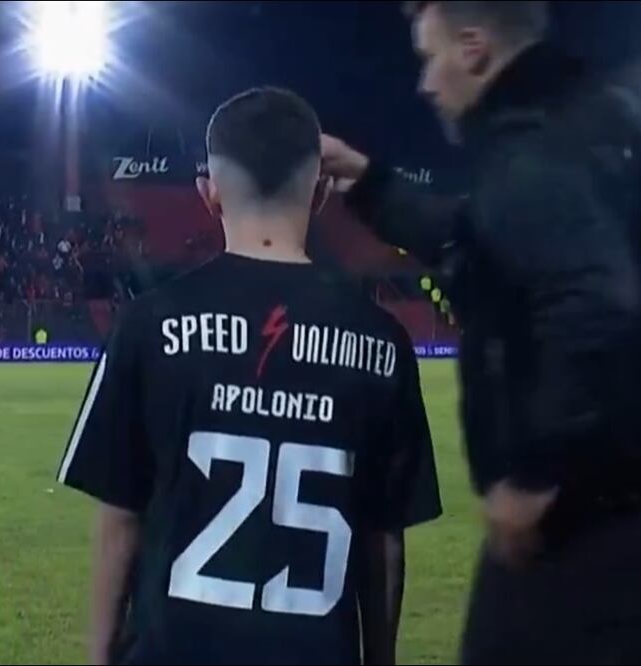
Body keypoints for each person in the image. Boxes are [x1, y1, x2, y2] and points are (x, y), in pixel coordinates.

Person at [321, 2, 641, 663]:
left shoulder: (531, 147)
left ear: (473, 48)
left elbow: (593, 301)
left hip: (594, 518)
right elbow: (495, 243)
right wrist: (370, 185)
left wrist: (531, 475)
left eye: (429, 56)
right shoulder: (599, 116)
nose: (424, 83)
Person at [57, 87, 442, 666]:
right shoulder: (383, 342)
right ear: (318, 195)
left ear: (208, 196)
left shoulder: (147, 324)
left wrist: (100, 657)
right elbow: (382, 538)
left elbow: (120, 520)